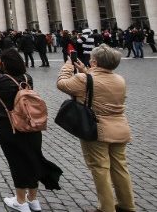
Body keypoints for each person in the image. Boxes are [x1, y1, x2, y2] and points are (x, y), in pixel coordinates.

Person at [0, 48, 62, 212]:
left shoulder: (0, 79)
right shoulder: (27, 77)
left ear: (4, 64)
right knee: (32, 159)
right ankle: (33, 199)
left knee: (16, 162)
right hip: (30, 125)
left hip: (8, 126)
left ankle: (20, 201)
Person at [56, 44, 135, 212]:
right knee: (120, 167)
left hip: (97, 130)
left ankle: (106, 208)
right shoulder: (119, 79)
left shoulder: (83, 79)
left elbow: (62, 83)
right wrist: (85, 70)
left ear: (95, 62)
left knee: (100, 169)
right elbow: (99, 83)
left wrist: (68, 65)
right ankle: (127, 205)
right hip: (120, 128)